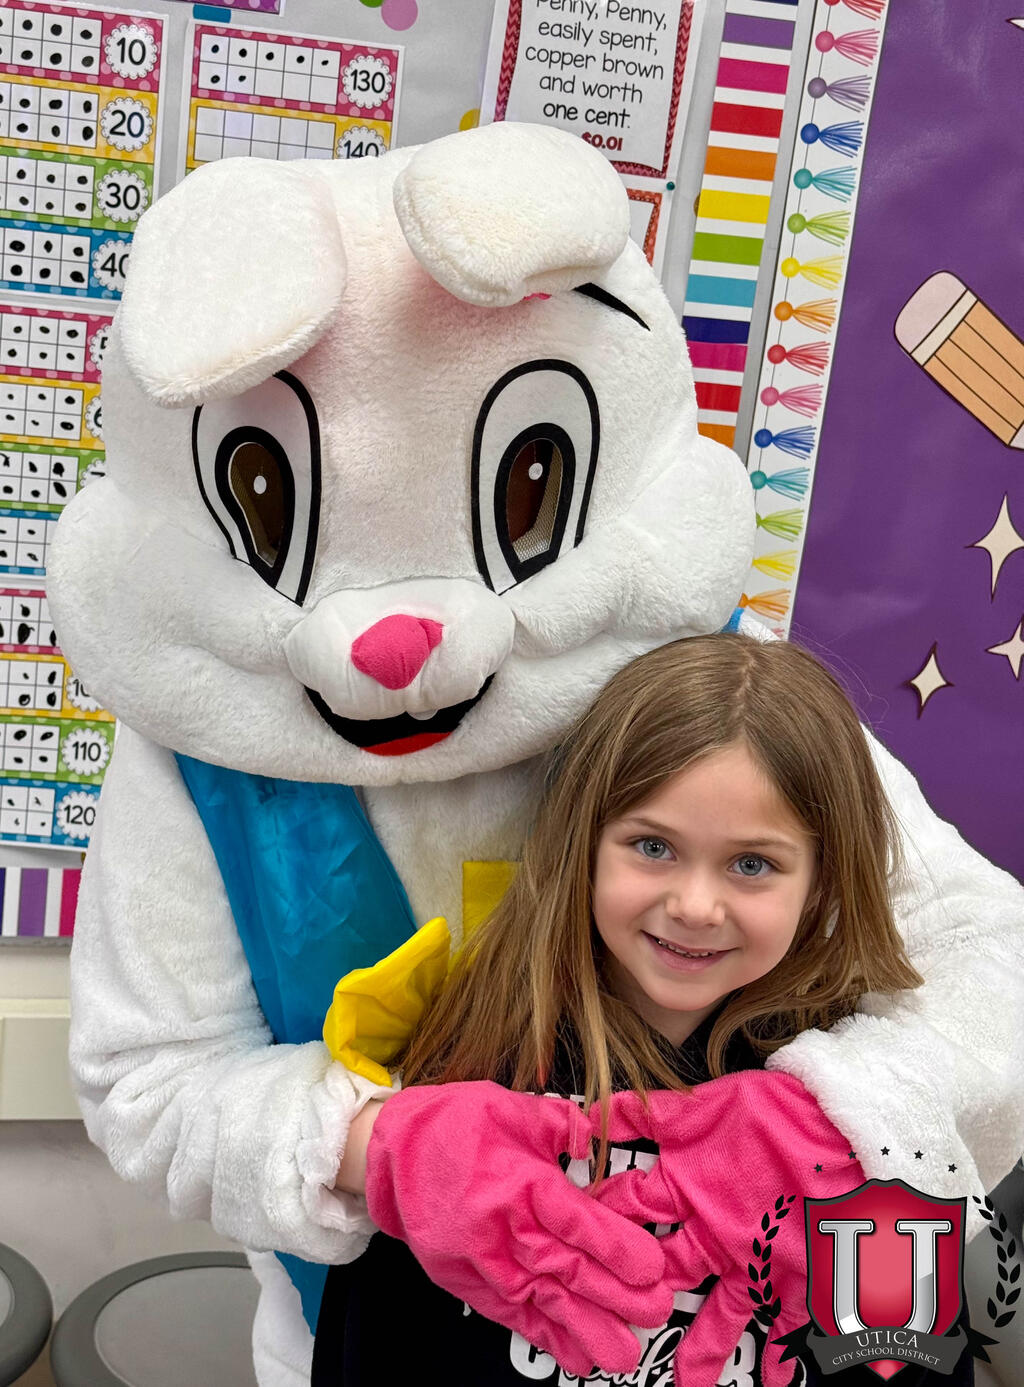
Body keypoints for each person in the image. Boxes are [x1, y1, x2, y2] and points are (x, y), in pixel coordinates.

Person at [311, 633, 971, 1387]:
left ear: (821, 882)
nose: (695, 905)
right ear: (585, 844)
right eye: (653, 847)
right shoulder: (465, 1069)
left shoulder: (860, 1118)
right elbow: (371, 1342)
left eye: (752, 863)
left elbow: (912, 1360)